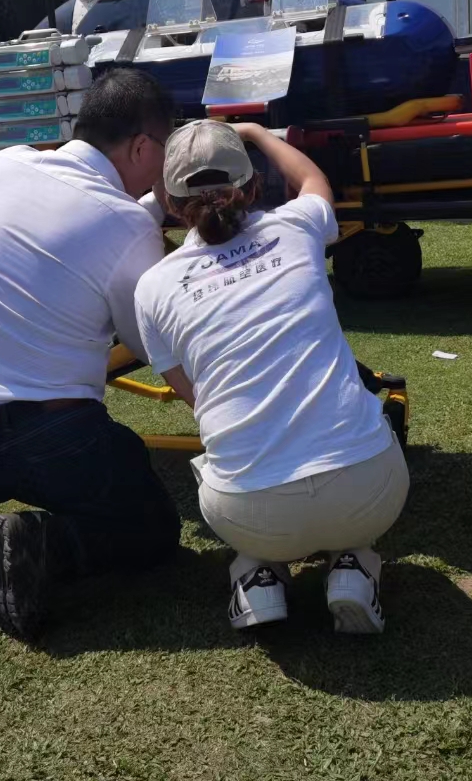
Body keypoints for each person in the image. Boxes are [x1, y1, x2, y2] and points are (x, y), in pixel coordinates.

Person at [0, 67, 182, 640]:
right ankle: (40, 543)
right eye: (168, 148)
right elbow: (147, 341)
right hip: (48, 443)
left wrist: (148, 213)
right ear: (140, 145)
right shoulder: (131, 227)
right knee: (155, 526)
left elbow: (87, 219)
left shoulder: (3, 165)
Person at [133, 121, 410, 634]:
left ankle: (257, 574)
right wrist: (259, 133)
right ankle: (354, 565)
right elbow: (314, 182)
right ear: (253, 186)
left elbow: (189, 392)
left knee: (224, 468)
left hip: (248, 513)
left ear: (171, 204)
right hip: (370, 494)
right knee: (363, 451)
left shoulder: (152, 287)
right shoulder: (296, 227)